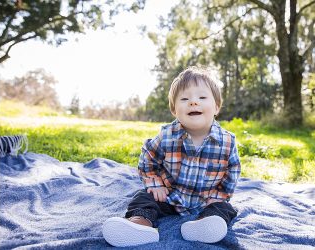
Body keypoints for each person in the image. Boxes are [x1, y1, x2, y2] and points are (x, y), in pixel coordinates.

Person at [102, 66, 241, 247]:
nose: (193, 102)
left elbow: (233, 170)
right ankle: (139, 224)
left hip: (206, 201)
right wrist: (155, 184)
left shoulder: (227, 142)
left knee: (224, 209)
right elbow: (148, 157)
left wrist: (219, 196)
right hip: (169, 197)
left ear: (216, 107)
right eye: (184, 99)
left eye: (202, 97)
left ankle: (203, 226)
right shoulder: (167, 135)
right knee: (143, 197)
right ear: (174, 110)